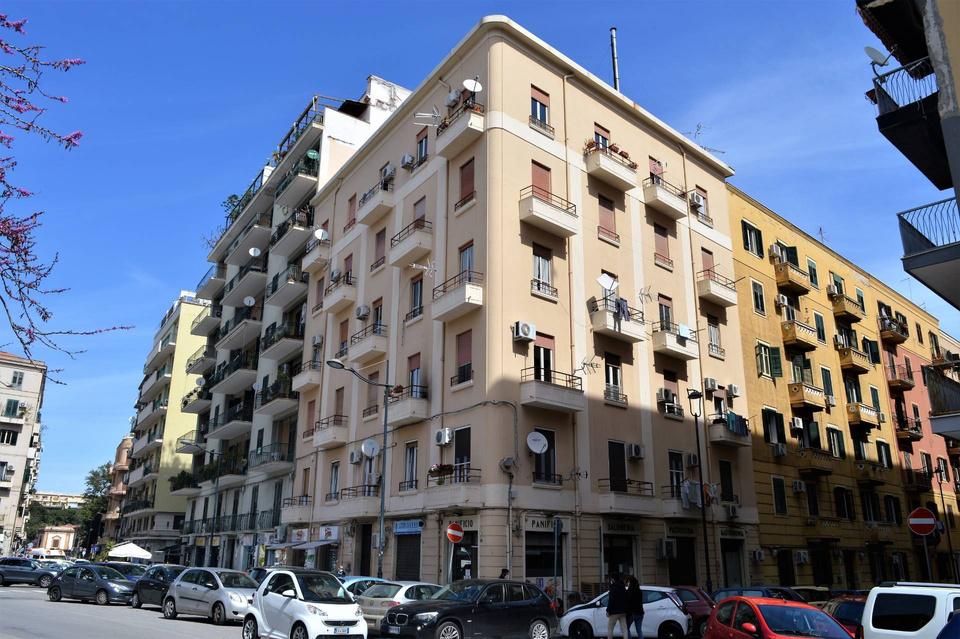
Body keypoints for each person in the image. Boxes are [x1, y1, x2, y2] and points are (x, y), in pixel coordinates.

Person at [606, 573, 628, 639]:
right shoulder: (623, 587)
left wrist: (608, 610)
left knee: (610, 628)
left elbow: (611, 601)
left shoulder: (613, 588)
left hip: (614, 612)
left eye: (611, 579)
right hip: (623, 611)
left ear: (613, 579)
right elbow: (626, 599)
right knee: (624, 629)